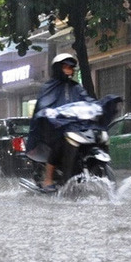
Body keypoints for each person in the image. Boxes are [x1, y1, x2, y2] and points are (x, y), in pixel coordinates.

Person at [25, 53, 95, 192]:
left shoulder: (76, 87)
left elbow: (87, 100)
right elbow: (43, 105)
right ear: (58, 68)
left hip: (75, 126)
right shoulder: (48, 87)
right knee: (60, 143)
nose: (69, 70)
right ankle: (48, 179)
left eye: (71, 67)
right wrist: (50, 113)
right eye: (65, 67)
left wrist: (96, 107)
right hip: (55, 128)